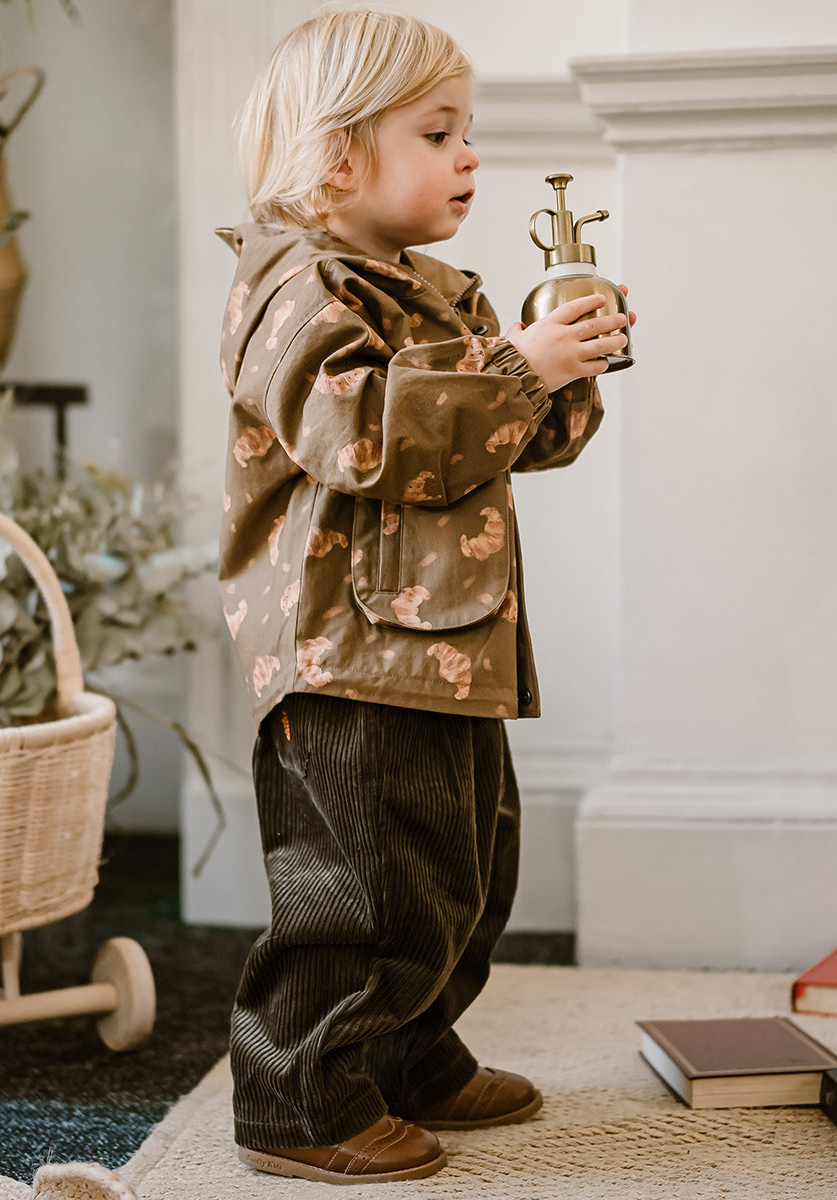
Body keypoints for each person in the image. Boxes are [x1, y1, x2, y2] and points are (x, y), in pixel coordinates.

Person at [215, 7, 634, 1186]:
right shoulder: (295, 287)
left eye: (468, 133)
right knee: (364, 885)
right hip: (347, 646)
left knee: (462, 871)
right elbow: (362, 434)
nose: (469, 157)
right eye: (438, 134)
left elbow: (514, 441)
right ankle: (298, 1096)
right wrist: (516, 367)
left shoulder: (441, 290)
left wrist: (563, 363)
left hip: (447, 638)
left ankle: (404, 1053)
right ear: (338, 156)